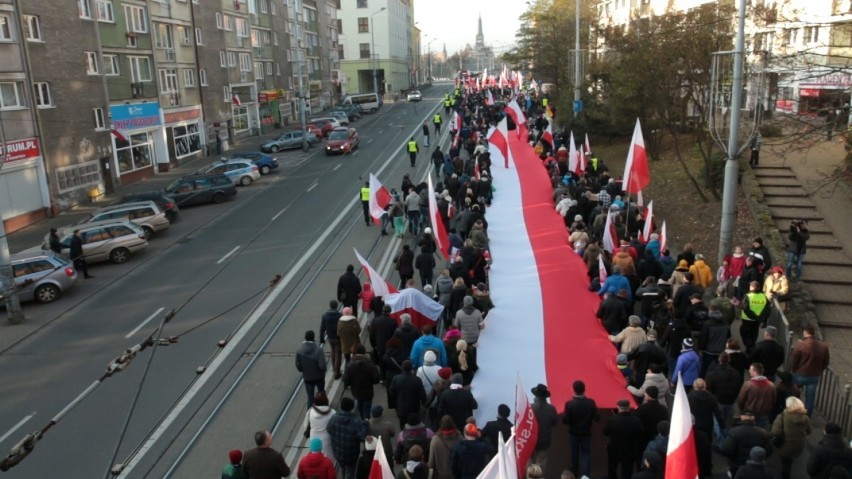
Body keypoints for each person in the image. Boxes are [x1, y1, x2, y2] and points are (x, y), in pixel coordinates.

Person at [719, 410, 773, 478]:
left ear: (741, 418)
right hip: (756, 466)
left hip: (737, 465)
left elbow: (726, 450)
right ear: (753, 419)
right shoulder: (763, 433)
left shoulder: (734, 432)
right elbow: (769, 451)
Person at [790, 324, 830, 415]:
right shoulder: (823, 346)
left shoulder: (801, 345)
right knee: (810, 399)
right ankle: (807, 417)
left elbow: (794, 360)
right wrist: (820, 370)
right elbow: (826, 362)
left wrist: (793, 370)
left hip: (800, 374)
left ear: (805, 333)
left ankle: (793, 411)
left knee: (793, 393)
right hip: (814, 376)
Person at [563, 380, 599, 478]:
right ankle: (586, 476)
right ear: (584, 389)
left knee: (574, 454)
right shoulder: (591, 403)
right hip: (586, 433)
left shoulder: (569, 404)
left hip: (573, 433)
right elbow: (597, 418)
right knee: (586, 454)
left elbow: (565, 420)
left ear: (573, 390)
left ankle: (574, 474)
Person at [328, 397, 369, 479]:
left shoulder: (334, 418)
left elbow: (329, 429)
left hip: (338, 452)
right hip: (351, 455)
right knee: (350, 472)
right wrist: (365, 423)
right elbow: (363, 437)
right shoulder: (355, 421)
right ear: (352, 407)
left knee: (342, 466)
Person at [771, 396, 812, 479]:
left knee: (785, 464)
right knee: (789, 460)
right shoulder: (805, 418)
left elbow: (775, 431)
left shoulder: (782, 416)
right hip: (799, 445)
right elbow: (809, 431)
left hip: (785, 445)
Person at [604, 399, 643, 479]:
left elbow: (606, 432)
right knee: (627, 470)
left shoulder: (612, 420)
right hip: (630, 449)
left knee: (612, 468)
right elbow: (640, 433)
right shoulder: (636, 420)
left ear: (618, 407)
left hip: (615, 448)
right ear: (628, 407)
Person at [343, 345, 381, 420]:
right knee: (367, 408)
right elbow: (377, 379)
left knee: (360, 406)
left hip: (356, 391)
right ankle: (366, 421)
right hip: (368, 392)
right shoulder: (370, 364)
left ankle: (362, 419)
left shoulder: (350, 365)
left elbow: (345, 380)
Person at [296, 330, 327, 409]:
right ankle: (324, 409)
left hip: (307, 377)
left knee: (310, 397)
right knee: (321, 393)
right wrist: (322, 371)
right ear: (313, 338)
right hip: (319, 377)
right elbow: (322, 366)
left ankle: (309, 414)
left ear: (305, 338)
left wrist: (304, 371)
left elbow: (298, 365)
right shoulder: (319, 350)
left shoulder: (299, 351)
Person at [739, 280, 770, 353]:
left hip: (747, 320)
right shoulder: (764, 296)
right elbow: (768, 310)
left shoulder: (748, 296)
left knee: (745, 333)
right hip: (758, 321)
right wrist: (762, 318)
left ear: (751, 287)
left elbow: (745, 308)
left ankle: (750, 348)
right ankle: (752, 347)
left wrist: (753, 316)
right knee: (754, 333)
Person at [307, 392, 337, 461]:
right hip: (327, 439)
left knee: (315, 457)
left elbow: (306, 424)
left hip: (313, 438)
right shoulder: (332, 412)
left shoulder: (311, 411)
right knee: (328, 458)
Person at [320, 300, 344, 380]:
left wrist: (321, 338)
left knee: (333, 352)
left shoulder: (325, 316)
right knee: (338, 354)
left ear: (330, 306)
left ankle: (334, 369)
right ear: (336, 306)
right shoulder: (340, 315)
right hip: (338, 337)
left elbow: (322, 328)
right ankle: (337, 372)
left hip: (330, 337)